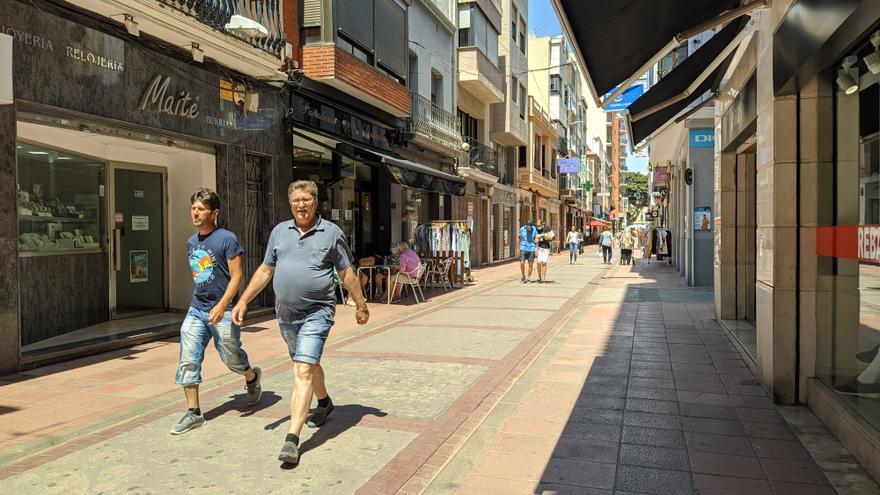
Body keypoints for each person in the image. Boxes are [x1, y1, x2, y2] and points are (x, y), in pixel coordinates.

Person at [231, 180, 369, 466]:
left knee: (302, 368)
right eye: (296, 200)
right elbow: (266, 269)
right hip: (286, 315)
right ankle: (325, 402)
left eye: (306, 199)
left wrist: (360, 303)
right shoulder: (280, 232)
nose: (301, 205)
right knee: (308, 363)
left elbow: (346, 271)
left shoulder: (331, 233)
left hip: (317, 312)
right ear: (290, 202)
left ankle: (292, 440)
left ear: (315, 202)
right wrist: (244, 300)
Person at [171, 188, 261, 435]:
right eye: (193, 208)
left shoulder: (227, 239)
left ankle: (251, 377)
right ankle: (193, 413)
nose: (195, 213)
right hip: (197, 309)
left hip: (224, 309)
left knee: (231, 357)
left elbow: (238, 276)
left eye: (201, 209)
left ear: (215, 213)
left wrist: (222, 306)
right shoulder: (191, 242)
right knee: (188, 358)